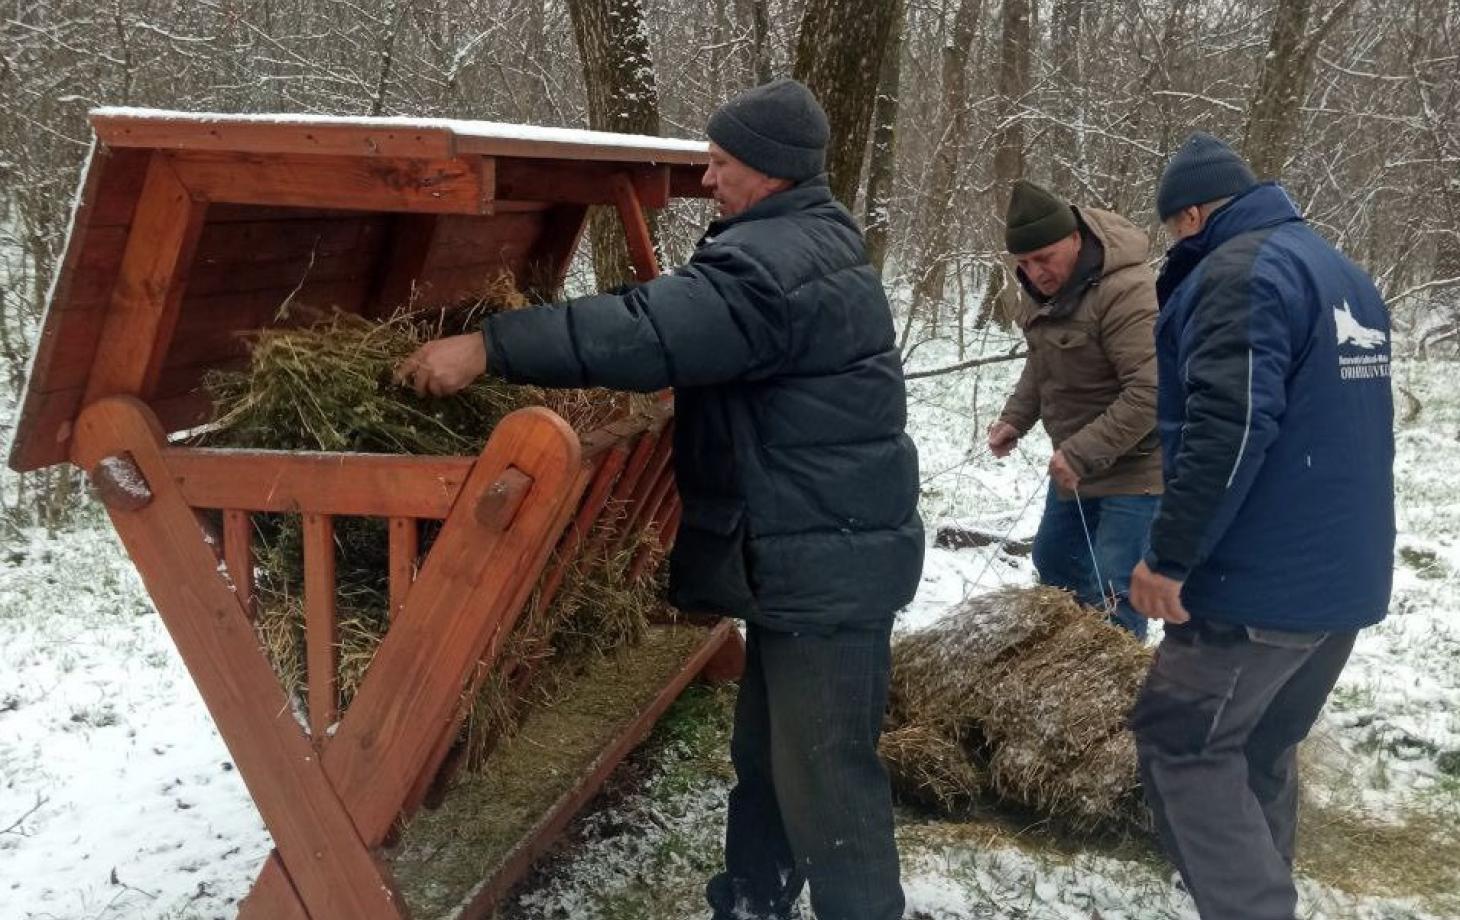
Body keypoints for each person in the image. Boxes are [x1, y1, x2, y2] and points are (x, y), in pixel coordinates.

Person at [396, 78, 922, 920]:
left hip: (829, 558)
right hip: (816, 548)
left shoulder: (773, 265)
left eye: (719, 164)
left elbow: (648, 330)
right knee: (772, 757)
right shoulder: (805, 241)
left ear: (771, 170)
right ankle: (752, 899)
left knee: (828, 780)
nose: (707, 180)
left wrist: (488, 346)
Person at [1128, 132, 1395, 920]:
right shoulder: (1343, 272)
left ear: (1195, 214)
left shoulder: (1238, 272)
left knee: (1181, 741)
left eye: (1176, 230)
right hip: (1340, 581)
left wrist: (1169, 557)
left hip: (1258, 591)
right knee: (1258, 749)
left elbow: (1230, 426)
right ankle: (1260, 886)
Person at [987, 179, 1162, 638]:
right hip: (1076, 464)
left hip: (1138, 466)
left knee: (1114, 585)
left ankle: (1112, 697)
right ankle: (1066, 665)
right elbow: (1043, 362)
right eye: (1023, 263)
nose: (1035, 272)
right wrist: (1015, 419)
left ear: (1075, 238)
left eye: (1044, 258)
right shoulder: (1045, 291)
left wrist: (1081, 452)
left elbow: (1151, 391)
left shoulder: (1125, 290)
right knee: (1054, 561)